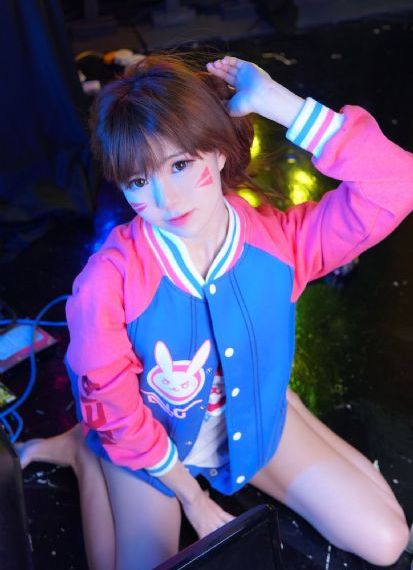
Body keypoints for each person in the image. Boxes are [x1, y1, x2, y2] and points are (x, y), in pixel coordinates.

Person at [17, 54, 412, 570]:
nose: (166, 198)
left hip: (253, 420)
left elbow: (396, 183)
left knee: (387, 540)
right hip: (149, 444)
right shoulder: (106, 283)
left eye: (180, 165)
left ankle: (282, 402)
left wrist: (281, 104)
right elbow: (115, 408)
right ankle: (83, 451)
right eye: (138, 181)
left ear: (220, 152)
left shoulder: (278, 245)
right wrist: (193, 499)